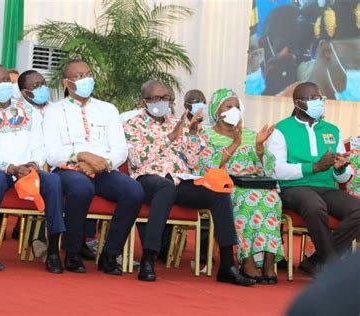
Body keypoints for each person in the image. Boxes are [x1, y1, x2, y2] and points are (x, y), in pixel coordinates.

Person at [124, 80, 255, 286]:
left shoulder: (181, 122)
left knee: (219, 191)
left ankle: (228, 266)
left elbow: (193, 161)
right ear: (144, 101)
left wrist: (192, 135)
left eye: (166, 98)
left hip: (180, 180)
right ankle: (148, 259)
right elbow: (137, 160)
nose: (162, 102)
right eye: (157, 99)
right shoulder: (132, 124)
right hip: (147, 179)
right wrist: (170, 137)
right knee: (164, 186)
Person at [42, 59, 143, 275]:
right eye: (78, 77)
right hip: (69, 168)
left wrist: (101, 164)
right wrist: (81, 155)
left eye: (88, 74)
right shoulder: (54, 111)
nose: (85, 80)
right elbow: (51, 153)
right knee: (81, 189)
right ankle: (72, 252)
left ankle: (109, 254)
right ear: (66, 83)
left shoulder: (108, 109)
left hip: (102, 168)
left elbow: (120, 149)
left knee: (133, 191)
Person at [0, 63, 66, 273]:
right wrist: (10, 168)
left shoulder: (28, 110)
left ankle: (52, 251)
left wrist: (33, 164)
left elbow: (39, 144)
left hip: (27, 169)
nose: (3, 85)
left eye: (6, 80)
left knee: (53, 180)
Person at [192, 88, 284, 284]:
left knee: (272, 198)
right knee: (246, 200)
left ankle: (269, 261)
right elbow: (206, 167)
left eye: (236, 106)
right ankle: (247, 261)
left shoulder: (251, 134)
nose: (234, 109)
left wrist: (259, 148)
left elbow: (267, 169)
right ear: (217, 110)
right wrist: (235, 143)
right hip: (225, 186)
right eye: (228, 106)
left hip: (254, 183)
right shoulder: (205, 134)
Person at [267, 81, 360, 275]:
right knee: (314, 204)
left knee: (357, 209)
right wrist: (314, 167)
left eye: (319, 98)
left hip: (327, 188)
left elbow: (344, 178)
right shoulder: (281, 130)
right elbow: (276, 169)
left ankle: (317, 260)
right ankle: (334, 268)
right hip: (293, 188)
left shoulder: (332, 130)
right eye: (311, 98)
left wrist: (341, 168)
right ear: (297, 103)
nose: (317, 102)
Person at [18, 69, 97, 261]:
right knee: (57, 184)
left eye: (43, 83)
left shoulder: (58, 109)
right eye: (35, 86)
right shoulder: (20, 113)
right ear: (24, 93)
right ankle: (40, 238)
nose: (42, 88)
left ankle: (79, 240)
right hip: (33, 165)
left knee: (84, 182)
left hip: (60, 161)